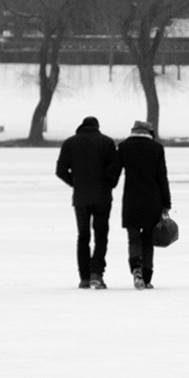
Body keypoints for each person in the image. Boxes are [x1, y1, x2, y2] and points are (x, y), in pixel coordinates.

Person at [55, 116, 118, 289]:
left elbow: (60, 170)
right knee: (101, 235)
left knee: (83, 237)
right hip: (102, 197)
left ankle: (84, 277)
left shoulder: (70, 143)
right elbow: (114, 170)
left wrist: (76, 183)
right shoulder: (106, 143)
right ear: (97, 127)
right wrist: (108, 184)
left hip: (81, 198)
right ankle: (97, 274)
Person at [112, 119, 171, 290]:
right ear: (149, 132)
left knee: (133, 238)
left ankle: (135, 268)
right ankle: (147, 277)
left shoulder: (124, 147)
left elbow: (114, 174)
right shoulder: (157, 148)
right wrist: (166, 202)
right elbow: (162, 177)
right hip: (153, 200)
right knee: (148, 240)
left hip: (131, 200)